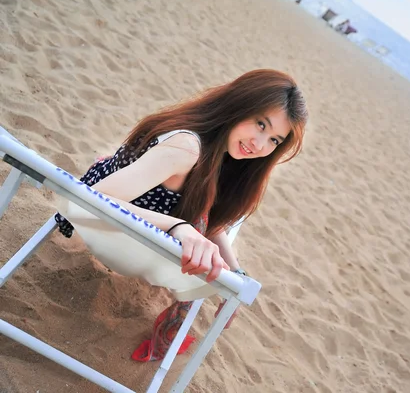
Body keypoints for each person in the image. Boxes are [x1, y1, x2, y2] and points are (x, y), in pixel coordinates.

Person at [54, 69, 308, 362]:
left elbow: (207, 215)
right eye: (260, 124)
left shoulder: (217, 154)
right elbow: (91, 200)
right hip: (107, 230)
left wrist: (235, 278)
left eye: (274, 140)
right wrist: (179, 227)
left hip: (127, 229)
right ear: (239, 106)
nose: (260, 145)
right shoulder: (187, 148)